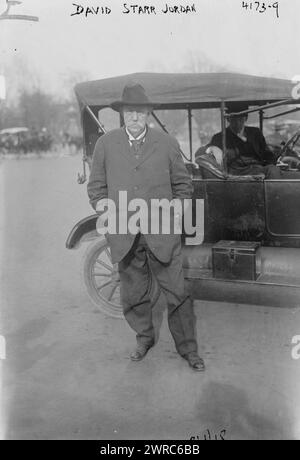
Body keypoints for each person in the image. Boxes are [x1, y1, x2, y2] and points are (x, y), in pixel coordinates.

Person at [87, 83, 205, 372]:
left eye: (140, 112)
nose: (135, 117)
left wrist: (175, 217)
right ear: (123, 114)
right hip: (125, 234)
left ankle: (188, 349)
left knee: (177, 292)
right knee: (133, 293)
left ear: (148, 113)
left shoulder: (166, 142)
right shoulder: (106, 144)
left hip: (162, 233)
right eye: (130, 112)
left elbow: (183, 186)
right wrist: (111, 216)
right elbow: (96, 189)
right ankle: (144, 338)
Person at [209, 102, 300, 179]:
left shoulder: (255, 133)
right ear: (228, 119)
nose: (237, 123)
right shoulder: (219, 138)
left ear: (246, 118)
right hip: (239, 173)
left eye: (240, 119)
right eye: (234, 119)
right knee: (272, 171)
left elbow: (266, 153)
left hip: (260, 169)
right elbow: (215, 159)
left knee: (288, 173)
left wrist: (274, 161)